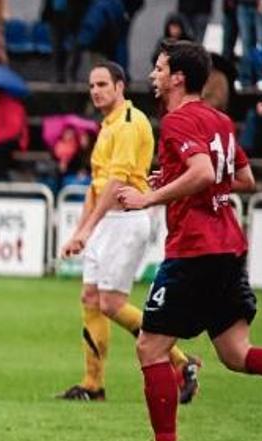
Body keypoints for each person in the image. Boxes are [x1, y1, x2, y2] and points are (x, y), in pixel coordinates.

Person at [114, 40, 262, 441]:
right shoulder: (219, 120)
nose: (153, 74)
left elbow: (205, 172)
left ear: (178, 77)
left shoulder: (180, 120)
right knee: (237, 354)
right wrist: (173, 176)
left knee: (150, 347)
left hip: (195, 251)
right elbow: (241, 178)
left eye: (160, 67)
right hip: (228, 248)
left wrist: (151, 196)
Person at [56, 62, 200, 403]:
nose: (96, 91)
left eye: (103, 84)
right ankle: (93, 384)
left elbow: (118, 182)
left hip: (126, 220)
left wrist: (87, 228)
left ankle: (182, 364)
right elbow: (97, 185)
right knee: (91, 298)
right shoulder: (107, 126)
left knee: (111, 302)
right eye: (92, 85)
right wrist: (80, 231)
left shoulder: (130, 124)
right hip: (106, 221)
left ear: (120, 86)